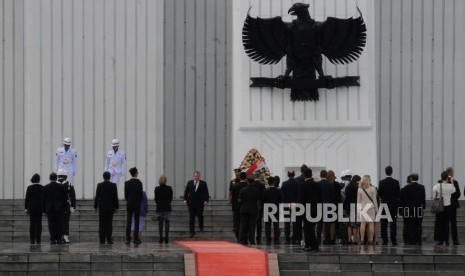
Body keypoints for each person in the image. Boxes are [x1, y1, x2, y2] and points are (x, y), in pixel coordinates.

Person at [299, 167, 321, 252]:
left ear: (304, 175)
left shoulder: (302, 185)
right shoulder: (317, 185)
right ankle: (308, 244)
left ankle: (314, 245)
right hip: (316, 209)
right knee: (310, 228)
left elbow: (301, 199)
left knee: (308, 229)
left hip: (306, 210)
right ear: (311, 174)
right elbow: (320, 197)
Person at [93, 171, 119, 244]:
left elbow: (97, 197)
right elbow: (115, 197)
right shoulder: (113, 185)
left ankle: (102, 240)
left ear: (103, 177)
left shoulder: (99, 185)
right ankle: (109, 240)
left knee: (102, 224)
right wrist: (117, 207)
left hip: (102, 207)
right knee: (109, 223)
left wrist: (95, 207)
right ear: (110, 177)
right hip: (110, 207)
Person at [399, 173, 425, 245]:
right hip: (418, 209)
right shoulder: (421, 187)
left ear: (411, 179)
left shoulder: (406, 188)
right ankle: (418, 240)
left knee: (408, 225)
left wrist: (401, 210)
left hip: (408, 209)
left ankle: (409, 240)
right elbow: (423, 199)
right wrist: (424, 207)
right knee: (418, 225)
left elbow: (403, 200)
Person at [378, 166, 400, 246]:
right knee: (393, 223)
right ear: (392, 172)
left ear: (385, 171)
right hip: (393, 205)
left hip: (384, 205)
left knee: (384, 224)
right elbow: (398, 194)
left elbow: (379, 194)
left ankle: (385, 240)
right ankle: (393, 240)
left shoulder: (381, 182)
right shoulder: (396, 182)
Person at [433, 171, 457, 246]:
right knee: (446, 224)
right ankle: (446, 241)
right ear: (447, 177)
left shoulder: (438, 185)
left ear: (441, 177)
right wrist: (452, 181)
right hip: (448, 206)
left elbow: (434, 192)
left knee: (440, 223)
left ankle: (440, 240)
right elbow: (454, 190)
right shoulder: (450, 186)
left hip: (440, 206)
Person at [184, 171, 209, 237]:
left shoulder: (203, 183)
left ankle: (201, 226)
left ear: (199, 176)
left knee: (200, 215)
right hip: (191, 203)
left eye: (198, 176)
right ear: (193, 176)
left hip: (200, 203)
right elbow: (186, 191)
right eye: (195, 176)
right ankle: (192, 232)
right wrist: (185, 200)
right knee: (191, 217)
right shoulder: (190, 182)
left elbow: (206, 192)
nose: (196, 177)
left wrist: (206, 200)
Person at [42, 172, 66, 244]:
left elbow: (43, 200)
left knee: (51, 224)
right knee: (59, 224)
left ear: (49, 178)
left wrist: (43, 210)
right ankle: (59, 239)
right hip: (59, 208)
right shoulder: (61, 187)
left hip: (49, 209)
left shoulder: (45, 187)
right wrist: (65, 209)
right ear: (56, 178)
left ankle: (52, 239)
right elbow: (64, 198)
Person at [238, 174, 261, 245]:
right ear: (253, 181)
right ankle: (251, 241)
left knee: (243, 226)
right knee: (252, 227)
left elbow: (239, 200)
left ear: (247, 181)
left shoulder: (243, 190)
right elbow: (258, 203)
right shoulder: (256, 190)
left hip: (244, 210)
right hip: (253, 211)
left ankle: (241, 240)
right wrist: (258, 211)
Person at [124, 167, 143, 244]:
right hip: (137, 204)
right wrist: (138, 201)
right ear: (135, 173)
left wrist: (128, 200)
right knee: (136, 221)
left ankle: (128, 239)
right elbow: (141, 195)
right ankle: (136, 239)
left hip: (129, 203)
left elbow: (126, 195)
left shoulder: (127, 183)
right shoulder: (139, 183)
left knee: (128, 221)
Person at [357, 175, 378, 245]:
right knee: (371, 224)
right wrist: (376, 209)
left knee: (363, 224)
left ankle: (362, 240)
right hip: (371, 208)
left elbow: (358, 201)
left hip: (363, 208)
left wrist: (358, 211)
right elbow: (375, 200)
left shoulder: (359, 189)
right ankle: (371, 240)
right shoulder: (373, 189)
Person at [57, 169, 76, 244]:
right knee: (66, 222)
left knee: (58, 222)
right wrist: (73, 206)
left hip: (57, 207)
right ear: (66, 176)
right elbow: (73, 196)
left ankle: (59, 237)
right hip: (66, 207)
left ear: (58, 176)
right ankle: (65, 237)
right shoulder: (69, 184)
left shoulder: (55, 184)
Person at [281, 170, 299, 244]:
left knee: (287, 223)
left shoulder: (284, 184)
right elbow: (299, 195)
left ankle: (287, 238)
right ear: (294, 174)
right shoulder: (298, 183)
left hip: (286, 204)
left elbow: (282, 196)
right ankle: (294, 237)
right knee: (295, 222)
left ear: (288, 175)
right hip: (295, 204)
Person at [317, 170, 335, 245]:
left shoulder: (317, 184)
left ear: (320, 175)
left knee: (319, 224)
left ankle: (318, 239)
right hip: (328, 206)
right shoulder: (330, 184)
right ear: (326, 175)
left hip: (319, 206)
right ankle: (327, 239)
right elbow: (332, 197)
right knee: (327, 223)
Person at [263, 176, 283, 244]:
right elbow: (281, 200)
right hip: (276, 209)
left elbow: (263, 200)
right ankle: (276, 239)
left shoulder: (265, 191)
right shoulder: (278, 190)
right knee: (276, 225)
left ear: (268, 182)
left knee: (267, 225)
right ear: (274, 182)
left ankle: (268, 240)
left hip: (267, 209)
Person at [25, 173, 43, 244]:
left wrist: (26, 208)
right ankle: (38, 239)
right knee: (39, 224)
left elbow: (27, 199)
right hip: (39, 208)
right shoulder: (42, 187)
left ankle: (32, 239)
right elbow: (43, 199)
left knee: (32, 224)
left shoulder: (29, 188)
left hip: (32, 208)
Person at [155, 175, 173, 244]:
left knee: (160, 223)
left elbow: (156, 199)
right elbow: (170, 198)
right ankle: (167, 237)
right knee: (167, 223)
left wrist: (159, 204)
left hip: (159, 208)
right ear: (166, 181)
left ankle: (160, 237)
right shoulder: (169, 188)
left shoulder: (157, 189)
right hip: (167, 208)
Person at [344, 175, 361, 244]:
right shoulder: (358, 188)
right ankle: (354, 240)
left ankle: (349, 239)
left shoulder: (347, 187)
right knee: (355, 225)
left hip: (348, 207)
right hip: (355, 206)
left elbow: (346, 196)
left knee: (349, 225)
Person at [231, 172, 248, 242]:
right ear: (246, 177)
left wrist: (233, 208)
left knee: (237, 225)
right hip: (246, 208)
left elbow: (233, 198)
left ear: (240, 177)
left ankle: (239, 239)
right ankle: (245, 239)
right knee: (245, 224)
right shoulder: (248, 185)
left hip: (237, 208)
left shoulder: (235, 186)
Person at [446, 167, 460, 245]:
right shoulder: (455, 182)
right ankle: (455, 240)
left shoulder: (442, 182)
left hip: (447, 205)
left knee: (447, 223)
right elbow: (458, 193)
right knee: (453, 223)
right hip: (452, 206)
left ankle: (446, 240)